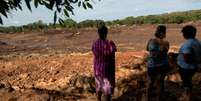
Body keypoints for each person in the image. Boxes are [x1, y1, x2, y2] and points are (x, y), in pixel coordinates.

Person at [92, 25, 117, 101]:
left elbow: (95, 54)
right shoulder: (110, 43)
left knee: (99, 87)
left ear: (98, 33)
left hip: (97, 70)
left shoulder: (95, 44)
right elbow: (113, 56)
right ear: (106, 33)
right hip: (107, 71)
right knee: (107, 90)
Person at [177, 25, 201, 100]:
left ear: (185, 34)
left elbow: (187, 58)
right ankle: (189, 94)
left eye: (183, 33)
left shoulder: (187, 44)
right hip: (192, 67)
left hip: (186, 67)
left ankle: (188, 96)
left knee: (186, 83)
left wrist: (196, 61)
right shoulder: (197, 41)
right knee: (188, 82)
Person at [146, 25, 169, 101]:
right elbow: (161, 54)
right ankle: (158, 98)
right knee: (160, 83)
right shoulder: (166, 43)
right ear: (163, 33)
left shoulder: (151, 41)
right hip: (162, 65)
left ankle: (148, 98)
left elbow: (147, 49)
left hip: (152, 65)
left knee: (150, 83)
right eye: (164, 32)